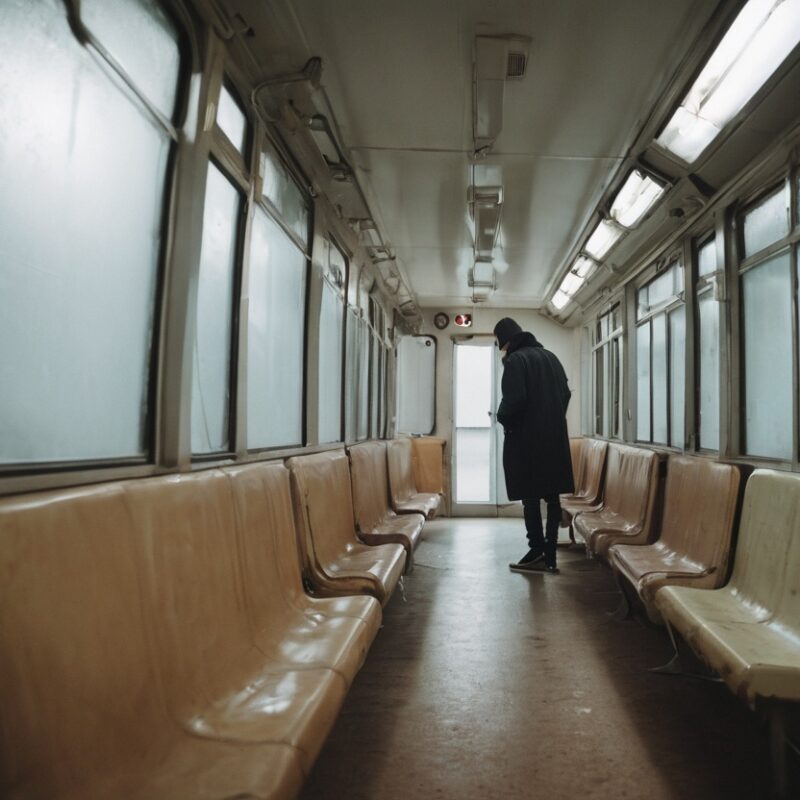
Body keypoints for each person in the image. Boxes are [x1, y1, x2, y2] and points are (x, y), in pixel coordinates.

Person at [494, 317, 574, 574]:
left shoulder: (516, 361)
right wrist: (553, 418)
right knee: (552, 498)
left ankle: (536, 550)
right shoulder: (551, 357)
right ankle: (550, 555)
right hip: (554, 439)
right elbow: (566, 394)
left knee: (530, 498)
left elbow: (514, 401)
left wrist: (503, 418)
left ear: (506, 342)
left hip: (527, 441)